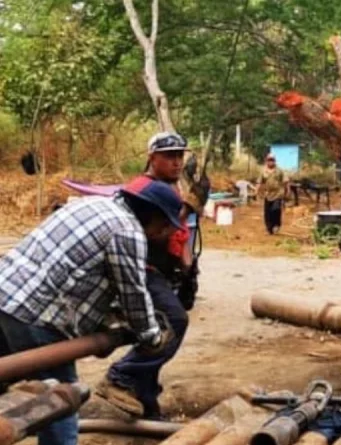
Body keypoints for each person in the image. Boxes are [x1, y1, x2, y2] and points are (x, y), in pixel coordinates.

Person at [0, 176, 181, 445]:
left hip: (5, 299)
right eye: (164, 225)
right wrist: (152, 336)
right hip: (36, 319)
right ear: (153, 217)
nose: (164, 232)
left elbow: (80, 274)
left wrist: (101, 324)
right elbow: (133, 292)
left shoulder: (91, 205)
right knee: (60, 403)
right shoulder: (127, 231)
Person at [97, 131, 206, 420]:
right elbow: (154, 232)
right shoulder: (141, 189)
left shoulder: (171, 188)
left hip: (164, 271)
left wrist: (188, 269)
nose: (177, 162)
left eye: (180, 156)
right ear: (152, 158)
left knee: (158, 331)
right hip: (143, 268)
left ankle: (147, 403)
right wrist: (188, 209)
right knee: (174, 323)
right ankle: (121, 376)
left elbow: (178, 237)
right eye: (169, 156)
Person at [257, 153, 289, 234]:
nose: (271, 162)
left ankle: (277, 225)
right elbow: (259, 182)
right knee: (267, 212)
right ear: (266, 161)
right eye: (269, 160)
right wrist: (256, 191)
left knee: (276, 209)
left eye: (272, 160)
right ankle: (269, 228)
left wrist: (287, 191)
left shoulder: (280, 171)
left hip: (278, 193)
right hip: (268, 194)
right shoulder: (263, 171)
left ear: (275, 161)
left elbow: (286, 181)